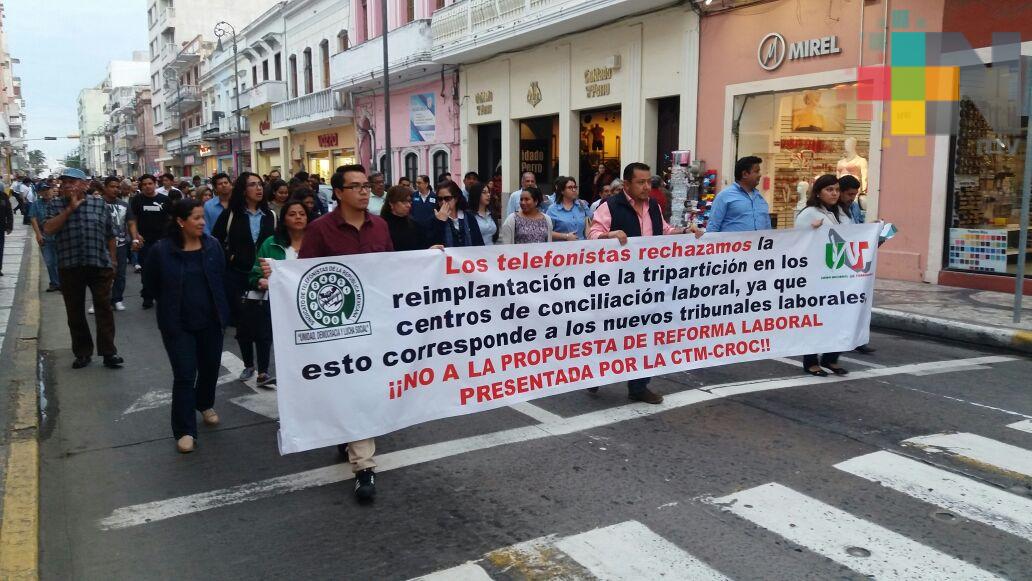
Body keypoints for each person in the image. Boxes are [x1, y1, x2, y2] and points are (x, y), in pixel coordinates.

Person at [262, 165, 391, 502]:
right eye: (356, 186)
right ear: (337, 193)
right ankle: (364, 467)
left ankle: (346, 433)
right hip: (338, 330)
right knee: (352, 390)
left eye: (367, 185)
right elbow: (304, 281)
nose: (365, 191)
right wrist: (277, 276)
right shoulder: (320, 230)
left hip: (374, 328)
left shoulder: (380, 226)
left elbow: (395, 270)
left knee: (363, 392)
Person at [588, 162, 696, 404]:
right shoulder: (610, 206)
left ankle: (639, 386)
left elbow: (663, 232)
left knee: (646, 334)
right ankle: (595, 372)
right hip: (618, 286)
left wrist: (685, 232)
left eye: (649, 181)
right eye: (641, 182)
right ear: (627, 185)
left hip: (648, 285)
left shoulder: (654, 206)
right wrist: (608, 235)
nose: (648, 187)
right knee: (612, 334)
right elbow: (592, 235)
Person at [145, 199, 230, 454]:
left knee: (210, 368)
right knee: (184, 375)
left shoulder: (212, 245)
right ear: (181, 222)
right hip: (178, 324)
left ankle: (204, 403)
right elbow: (151, 285)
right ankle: (184, 430)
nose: (202, 222)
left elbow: (221, 277)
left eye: (203, 217)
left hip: (211, 320)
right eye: (195, 218)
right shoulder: (161, 251)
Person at [43, 168, 123, 370]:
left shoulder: (98, 204)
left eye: (72, 181)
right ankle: (82, 353)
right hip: (70, 266)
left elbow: (110, 234)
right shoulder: (55, 204)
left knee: (104, 308)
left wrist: (113, 261)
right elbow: (49, 229)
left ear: (85, 185)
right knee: (75, 312)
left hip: (98, 264)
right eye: (65, 182)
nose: (67, 185)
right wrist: (70, 209)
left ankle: (108, 352)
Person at [213, 172, 276, 380]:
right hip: (238, 277)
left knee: (265, 324)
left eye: (260, 184)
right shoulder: (231, 215)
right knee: (243, 324)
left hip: (265, 278)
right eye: (252, 185)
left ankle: (264, 370)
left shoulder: (271, 216)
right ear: (243, 190)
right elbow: (215, 242)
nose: (259, 188)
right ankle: (248, 364)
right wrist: (230, 258)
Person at [246, 200, 310, 386]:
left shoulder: (316, 241)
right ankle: (266, 373)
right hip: (277, 304)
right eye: (292, 214)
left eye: (302, 213)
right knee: (276, 343)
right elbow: (255, 273)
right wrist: (262, 281)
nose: (298, 217)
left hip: (307, 306)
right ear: (284, 219)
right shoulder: (271, 243)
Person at [796, 174, 850, 376]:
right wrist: (811, 230)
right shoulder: (809, 214)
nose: (834, 193)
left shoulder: (842, 213)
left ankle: (831, 357)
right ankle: (810, 361)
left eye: (836, 189)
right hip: (815, 275)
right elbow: (798, 243)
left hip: (839, 273)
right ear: (818, 193)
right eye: (829, 189)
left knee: (839, 317)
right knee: (815, 318)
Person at [128, 174, 170, 309]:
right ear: (141, 186)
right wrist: (135, 236)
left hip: (162, 241)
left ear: (155, 184)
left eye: (150, 183)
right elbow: (132, 220)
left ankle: (162, 295)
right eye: (144, 184)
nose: (147, 186)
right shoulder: (136, 200)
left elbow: (171, 219)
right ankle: (147, 296)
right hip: (144, 241)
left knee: (163, 269)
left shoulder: (164, 200)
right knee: (146, 271)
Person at [706, 156, 771, 233]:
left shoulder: (760, 198)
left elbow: (768, 229)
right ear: (744, 174)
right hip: (733, 244)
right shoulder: (724, 197)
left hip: (759, 244)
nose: (760, 175)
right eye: (756, 171)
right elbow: (712, 228)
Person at [99, 176, 130, 312]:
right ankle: (99, 300)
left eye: (117, 187)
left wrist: (135, 237)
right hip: (101, 246)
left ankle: (117, 299)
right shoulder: (97, 204)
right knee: (101, 274)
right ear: (105, 187)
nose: (115, 189)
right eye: (112, 186)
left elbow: (131, 222)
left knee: (120, 274)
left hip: (121, 245)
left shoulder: (124, 205)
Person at [428, 182, 484, 248]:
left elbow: (479, 243)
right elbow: (431, 245)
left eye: (447, 198)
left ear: (456, 198)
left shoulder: (469, 217)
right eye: (440, 199)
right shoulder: (433, 219)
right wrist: (440, 222)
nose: (443, 202)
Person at [29, 182, 60, 291]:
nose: (46, 192)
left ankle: (60, 283)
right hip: (45, 237)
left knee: (59, 261)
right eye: (43, 190)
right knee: (49, 261)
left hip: (58, 237)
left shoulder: (58, 203)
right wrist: (38, 234)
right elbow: (33, 219)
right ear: (39, 193)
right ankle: (55, 283)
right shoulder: (36, 204)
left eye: (48, 189)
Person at [381, 185, 429, 251]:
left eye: (409, 201)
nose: (408, 205)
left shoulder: (415, 225)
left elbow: (423, 248)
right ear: (391, 203)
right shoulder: (382, 225)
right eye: (404, 202)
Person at [546, 176, 590, 241]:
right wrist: (565, 236)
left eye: (575, 187)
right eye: (570, 187)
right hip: (562, 249)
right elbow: (546, 232)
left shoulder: (582, 205)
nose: (574, 190)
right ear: (562, 191)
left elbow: (591, 225)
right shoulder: (552, 209)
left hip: (581, 248)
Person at [0, 187, 11, 275]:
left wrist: (9, 226)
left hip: (1, 227)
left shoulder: (3, 196)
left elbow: (9, 211)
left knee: (0, 248)